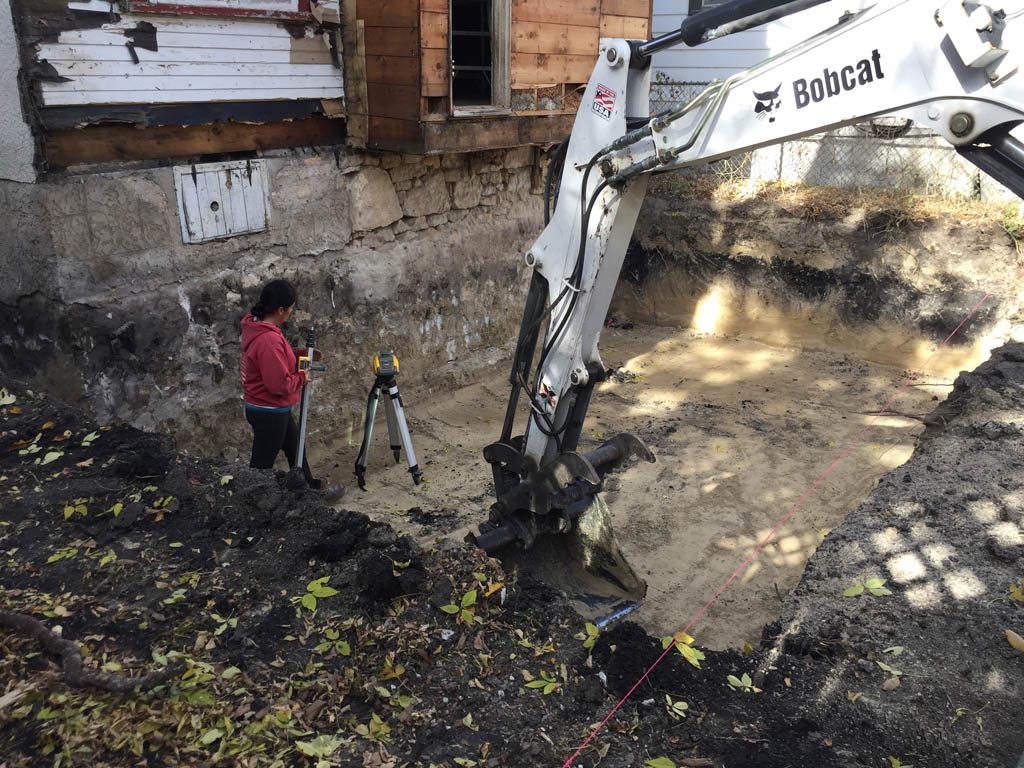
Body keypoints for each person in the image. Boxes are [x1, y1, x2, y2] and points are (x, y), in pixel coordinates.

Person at [240, 279, 345, 502]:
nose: (290, 313)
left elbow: (278, 362)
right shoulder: (267, 340)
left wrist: (301, 355)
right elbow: (278, 384)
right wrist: (301, 377)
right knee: (262, 464)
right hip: (268, 410)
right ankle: (252, 503)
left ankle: (307, 489)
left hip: (273, 408)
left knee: (296, 447)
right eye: (290, 309)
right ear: (279, 310)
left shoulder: (262, 328)